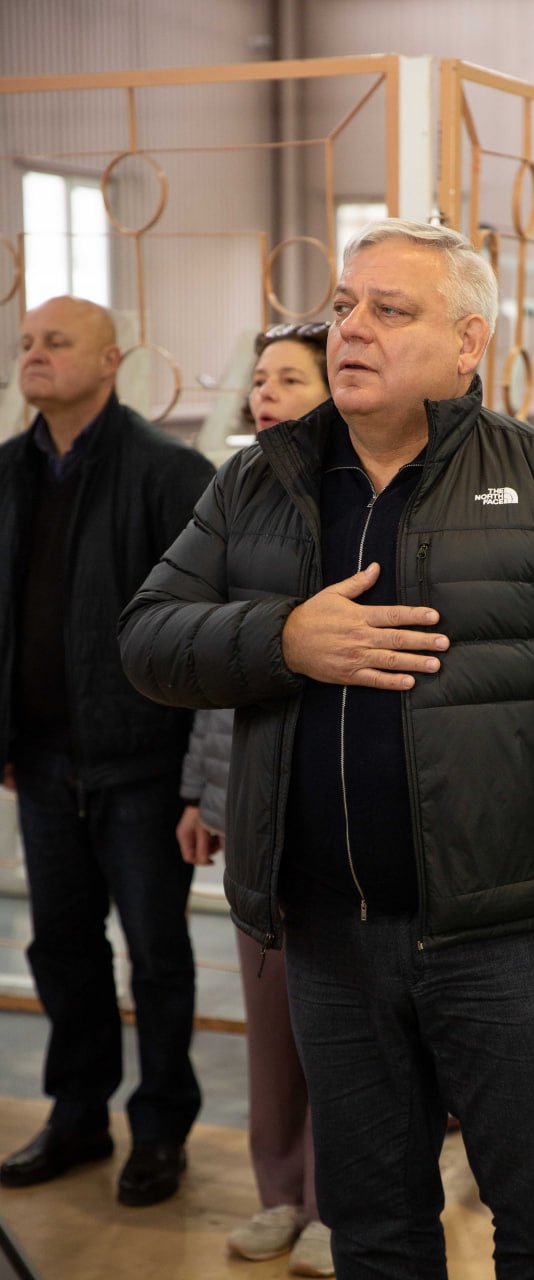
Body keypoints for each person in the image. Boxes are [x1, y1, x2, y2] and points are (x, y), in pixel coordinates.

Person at [118, 219, 534, 1280]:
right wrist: (281, 639)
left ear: (469, 342)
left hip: (511, 940)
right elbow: (148, 640)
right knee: (375, 1230)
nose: (352, 329)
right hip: (330, 937)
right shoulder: (257, 483)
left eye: (390, 310)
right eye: (344, 306)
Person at [0, 296, 214, 1206]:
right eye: (26, 343)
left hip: (141, 763)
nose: (34, 355)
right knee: (61, 947)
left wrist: (198, 778)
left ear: (110, 360)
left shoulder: (169, 472)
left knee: (157, 955)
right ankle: (78, 1114)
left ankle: (160, 1129)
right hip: (43, 761)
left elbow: (203, 629)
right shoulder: (8, 471)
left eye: (57, 342)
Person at [177, 321, 334, 1275]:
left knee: (341, 1031)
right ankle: (279, 1192)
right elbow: (211, 664)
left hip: (337, 801)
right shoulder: (236, 495)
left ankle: (333, 1204)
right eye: (261, 380)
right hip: (252, 805)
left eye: (289, 379)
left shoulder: (362, 501)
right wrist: (203, 795)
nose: (265, 395)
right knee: (270, 1023)